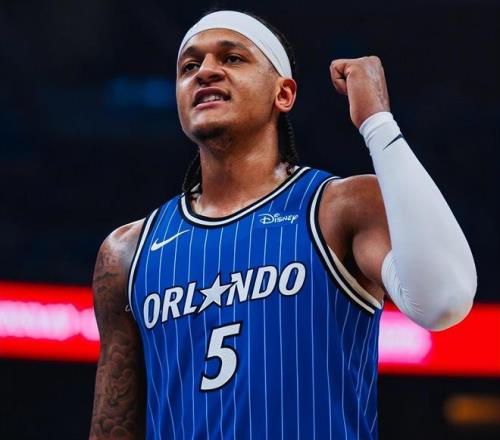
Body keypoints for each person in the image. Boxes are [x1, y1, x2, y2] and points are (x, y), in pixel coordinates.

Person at [89, 10, 477, 440]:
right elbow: (113, 427)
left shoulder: (338, 208)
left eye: (232, 58)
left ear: (284, 94)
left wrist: (377, 123)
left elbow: (444, 300)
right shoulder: (128, 251)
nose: (206, 71)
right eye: (189, 66)